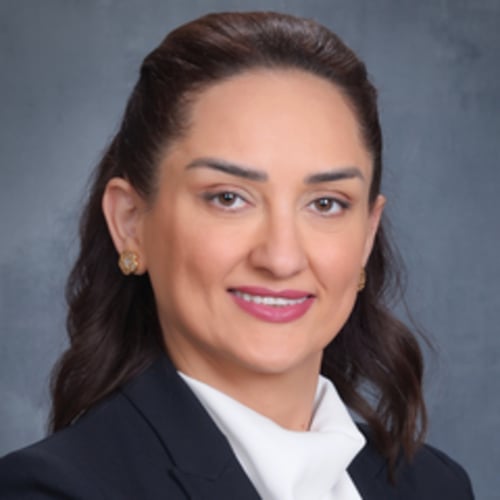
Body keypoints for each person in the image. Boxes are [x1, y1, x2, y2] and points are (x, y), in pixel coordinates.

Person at [0, 11, 474, 500]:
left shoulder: (436, 486)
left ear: (367, 236)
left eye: (326, 203)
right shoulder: (51, 490)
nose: (281, 258)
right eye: (229, 198)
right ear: (130, 222)